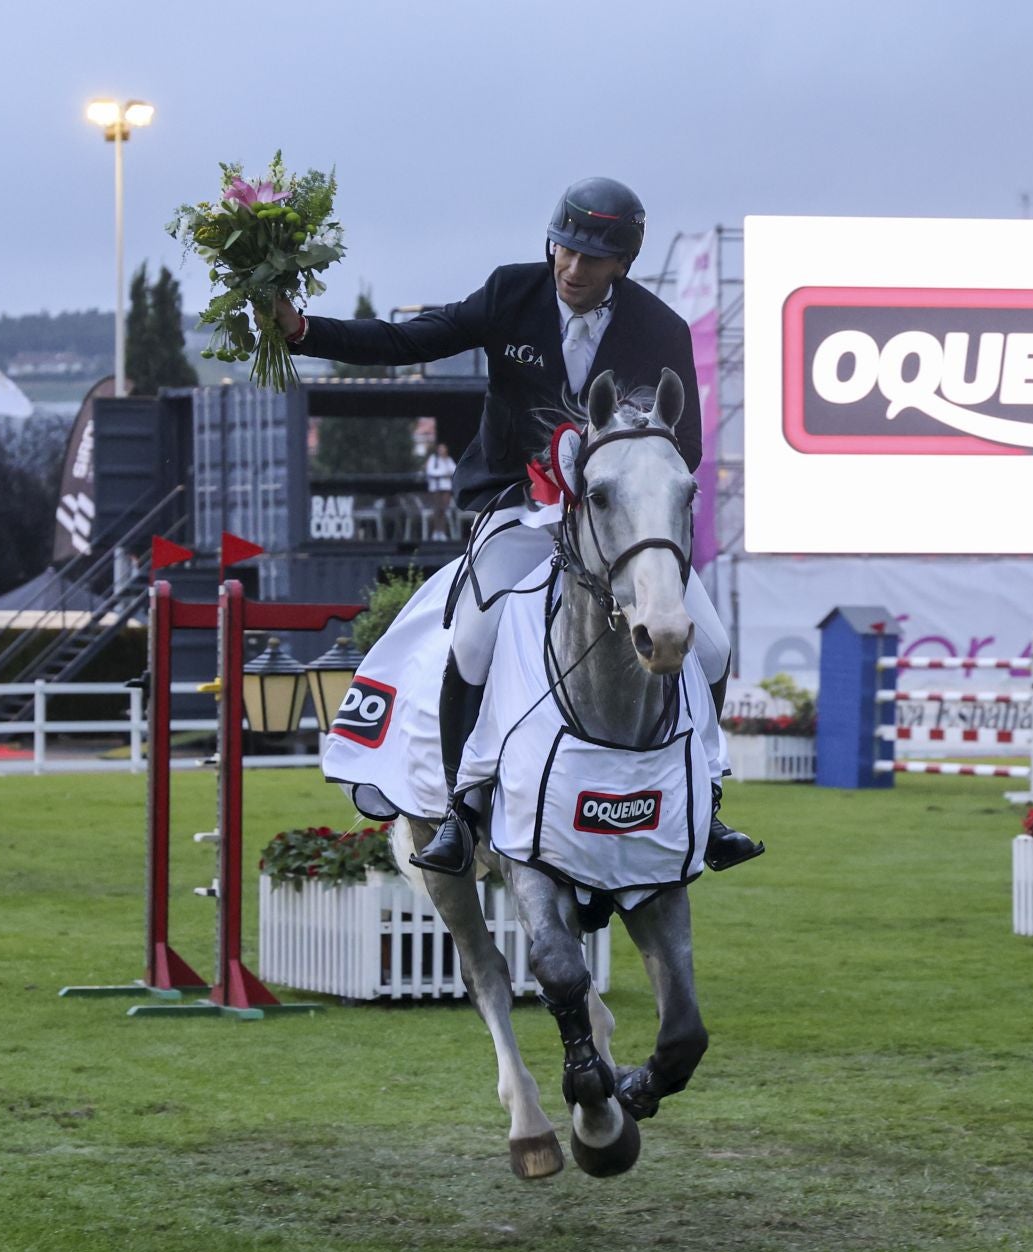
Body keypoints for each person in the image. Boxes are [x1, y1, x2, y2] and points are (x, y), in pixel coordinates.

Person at [278, 176, 763, 876]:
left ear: (622, 264)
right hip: (519, 503)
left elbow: (681, 450)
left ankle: (706, 803)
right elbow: (413, 338)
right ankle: (458, 810)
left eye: (591, 260)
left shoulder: (661, 331)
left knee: (711, 645)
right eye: (563, 250)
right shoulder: (512, 293)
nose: (570, 268)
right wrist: (304, 331)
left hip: (616, 524)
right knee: (474, 637)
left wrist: (613, 475)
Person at [423, 441, 456, 540]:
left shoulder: (448, 460)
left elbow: (454, 470)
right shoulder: (433, 459)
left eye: (444, 448)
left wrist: (446, 472)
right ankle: (436, 531)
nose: (442, 451)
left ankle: (442, 532)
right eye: (440, 449)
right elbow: (431, 471)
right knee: (436, 509)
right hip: (436, 488)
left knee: (443, 509)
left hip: (446, 488)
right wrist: (444, 473)